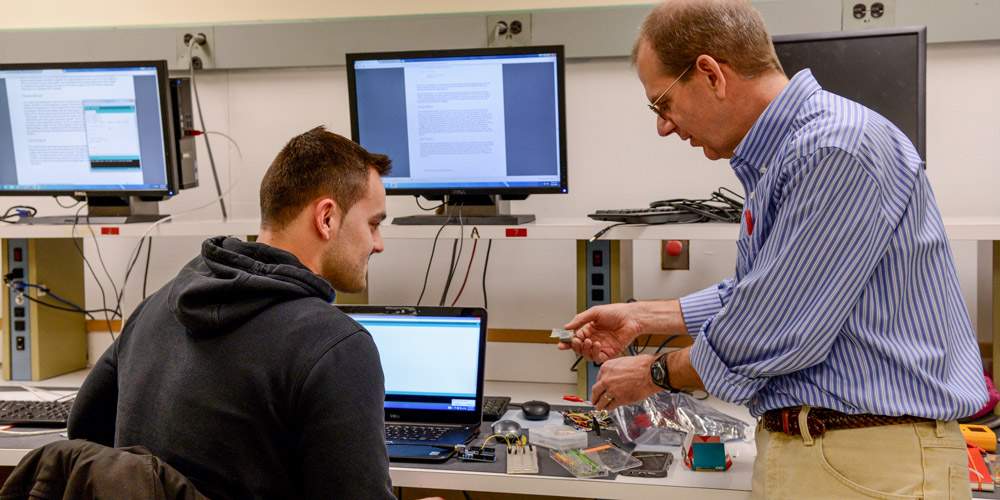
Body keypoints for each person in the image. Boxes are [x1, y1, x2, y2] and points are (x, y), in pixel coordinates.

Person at [559, 1, 988, 498]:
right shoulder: (790, 156)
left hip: (867, 461)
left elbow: (773, 327)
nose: (664, 126)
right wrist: (641, 316)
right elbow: (762, 294)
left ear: (710, 74)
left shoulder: (832, 149)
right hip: (838, 454)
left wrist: (655, 372)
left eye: (663, 103)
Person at [68, 126, 399, 500]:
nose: (378, 243)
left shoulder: (155, 307)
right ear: (326, 218)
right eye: (373, 223)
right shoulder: (336, 347)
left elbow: (84, 436)